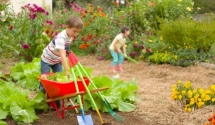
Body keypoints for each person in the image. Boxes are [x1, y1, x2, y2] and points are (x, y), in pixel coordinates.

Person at [40, 15, 83, 108]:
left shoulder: (70, 36)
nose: (75, 34)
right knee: (45, 81)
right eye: (74, 31)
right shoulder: (60, 38)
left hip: (56, 60)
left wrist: (68, 51)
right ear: (67, 27)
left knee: (59, 82)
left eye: (77, 32)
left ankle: (56, 101)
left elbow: (65, 48)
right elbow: (63, 56)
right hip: (47, 59)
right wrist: (67, 70)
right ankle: (42, 96)